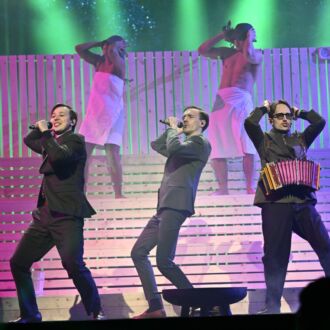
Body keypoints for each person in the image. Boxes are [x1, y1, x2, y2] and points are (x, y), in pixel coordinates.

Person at [10, 104, 104, 323]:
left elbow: (59, 157)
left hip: (67, 216)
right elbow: (28, 140)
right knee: (18, 262)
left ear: (72, 121)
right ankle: (30, 315)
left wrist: (45, 132)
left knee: (73, 265)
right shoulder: (50, 142)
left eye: (62, 115)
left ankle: (96, 310)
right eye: (53, 115)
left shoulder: (76, 141)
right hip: (44, 216)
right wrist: (43, 129)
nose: (56, 117)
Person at [244, 99, 330, 314]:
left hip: (302, 202)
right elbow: (250, 124)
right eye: (280, 116)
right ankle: (272, 306)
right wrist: (264, 108)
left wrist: (299, 111)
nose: (285, 119)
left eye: (288, 116)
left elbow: (319, 122)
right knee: (275, 255)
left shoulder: (300, 139)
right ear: (271, 120)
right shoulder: (264, 140)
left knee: (326, 247)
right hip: (275, 203)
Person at [131, 106, 211, 319]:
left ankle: (199, 303)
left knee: (164, 261)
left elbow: (173, 148)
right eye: (183, 117)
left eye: (190, 117)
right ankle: (155, 306)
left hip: (176, 204)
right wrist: (171, 129)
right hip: (164, 205)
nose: (185, 119)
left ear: (202, 123)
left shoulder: (200, 143)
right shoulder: (183, 145)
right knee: (138, 252)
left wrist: (174, 130)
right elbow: (158, 146)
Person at [198, 21, 263, 195]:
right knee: (217, 145)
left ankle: (249, 187)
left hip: (241, 100)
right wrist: (222, 36)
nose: (236, 42)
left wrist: (250, 34)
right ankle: (223, 188)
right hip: (221, 100)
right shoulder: (227, 53)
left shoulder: (256, 54)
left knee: (246, 144)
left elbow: (248, 53)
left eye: (239, 38)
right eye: (235, 39)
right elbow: (202, 50)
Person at [75, 35, 127, 198]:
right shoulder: (98, 62)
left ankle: (118, 194)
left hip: (114, 113)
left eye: (120, 48)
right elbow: (79, 48)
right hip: (95, 112)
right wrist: (97, 42)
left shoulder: (119, 64)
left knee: (112, 152)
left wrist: (112, 47)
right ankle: (81, 194)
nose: (114, 50)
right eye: (110, 47)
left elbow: (113, 52)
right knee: (84, 154)